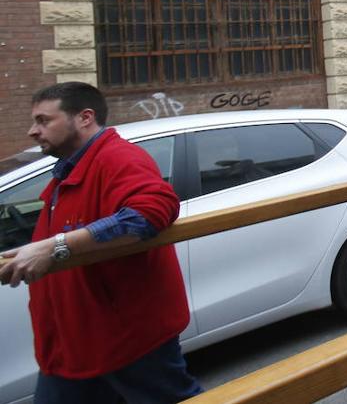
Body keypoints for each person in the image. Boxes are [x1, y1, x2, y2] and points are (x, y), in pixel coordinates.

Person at [0, 83, 201, 403]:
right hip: (72, 342)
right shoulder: (68, 170)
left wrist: (55, 247)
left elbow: (149, 213)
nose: (32, 131)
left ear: (84, 118)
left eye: (43, 120)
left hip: (124, 339)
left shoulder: (118, 158)